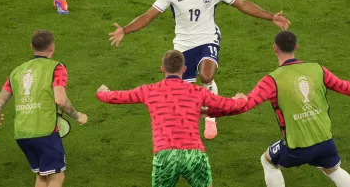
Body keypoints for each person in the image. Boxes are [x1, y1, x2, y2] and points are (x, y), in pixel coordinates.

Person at [108, 0, 291, 139]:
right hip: (183, 45)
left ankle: (211, 117)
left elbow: (241, 4)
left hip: (207, 38)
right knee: (185, 97)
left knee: (206, 76)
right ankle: (197, 118)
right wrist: (124, 29)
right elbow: (148, 16)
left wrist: (271, 16)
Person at [206, 30, 350, 187]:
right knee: (334, 170)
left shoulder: (271, 81)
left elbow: (244, 106)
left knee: (268, 161)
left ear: (274, 48)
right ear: (297, 47)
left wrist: (211, 111)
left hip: (297, 146)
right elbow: (343, 86)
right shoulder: (318, 69)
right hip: (325, 141)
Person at [96, 50, 248, 187]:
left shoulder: (148, 91)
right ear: (184, 69)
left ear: (162, 69)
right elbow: (226, 105)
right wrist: (240, 99)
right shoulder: (197, 91)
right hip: (193, 154)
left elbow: (118, 97)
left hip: (165, 155)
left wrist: (102, 93)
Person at [0, 30, 88, 187]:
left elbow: (0, 101)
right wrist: (78, 116)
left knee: (42, 176)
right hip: (45, 132)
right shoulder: (56, 68)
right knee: (57, 177)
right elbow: (60, 100)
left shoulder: (16, 72)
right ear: (52, 47)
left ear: (31, 46)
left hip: (22, 134)